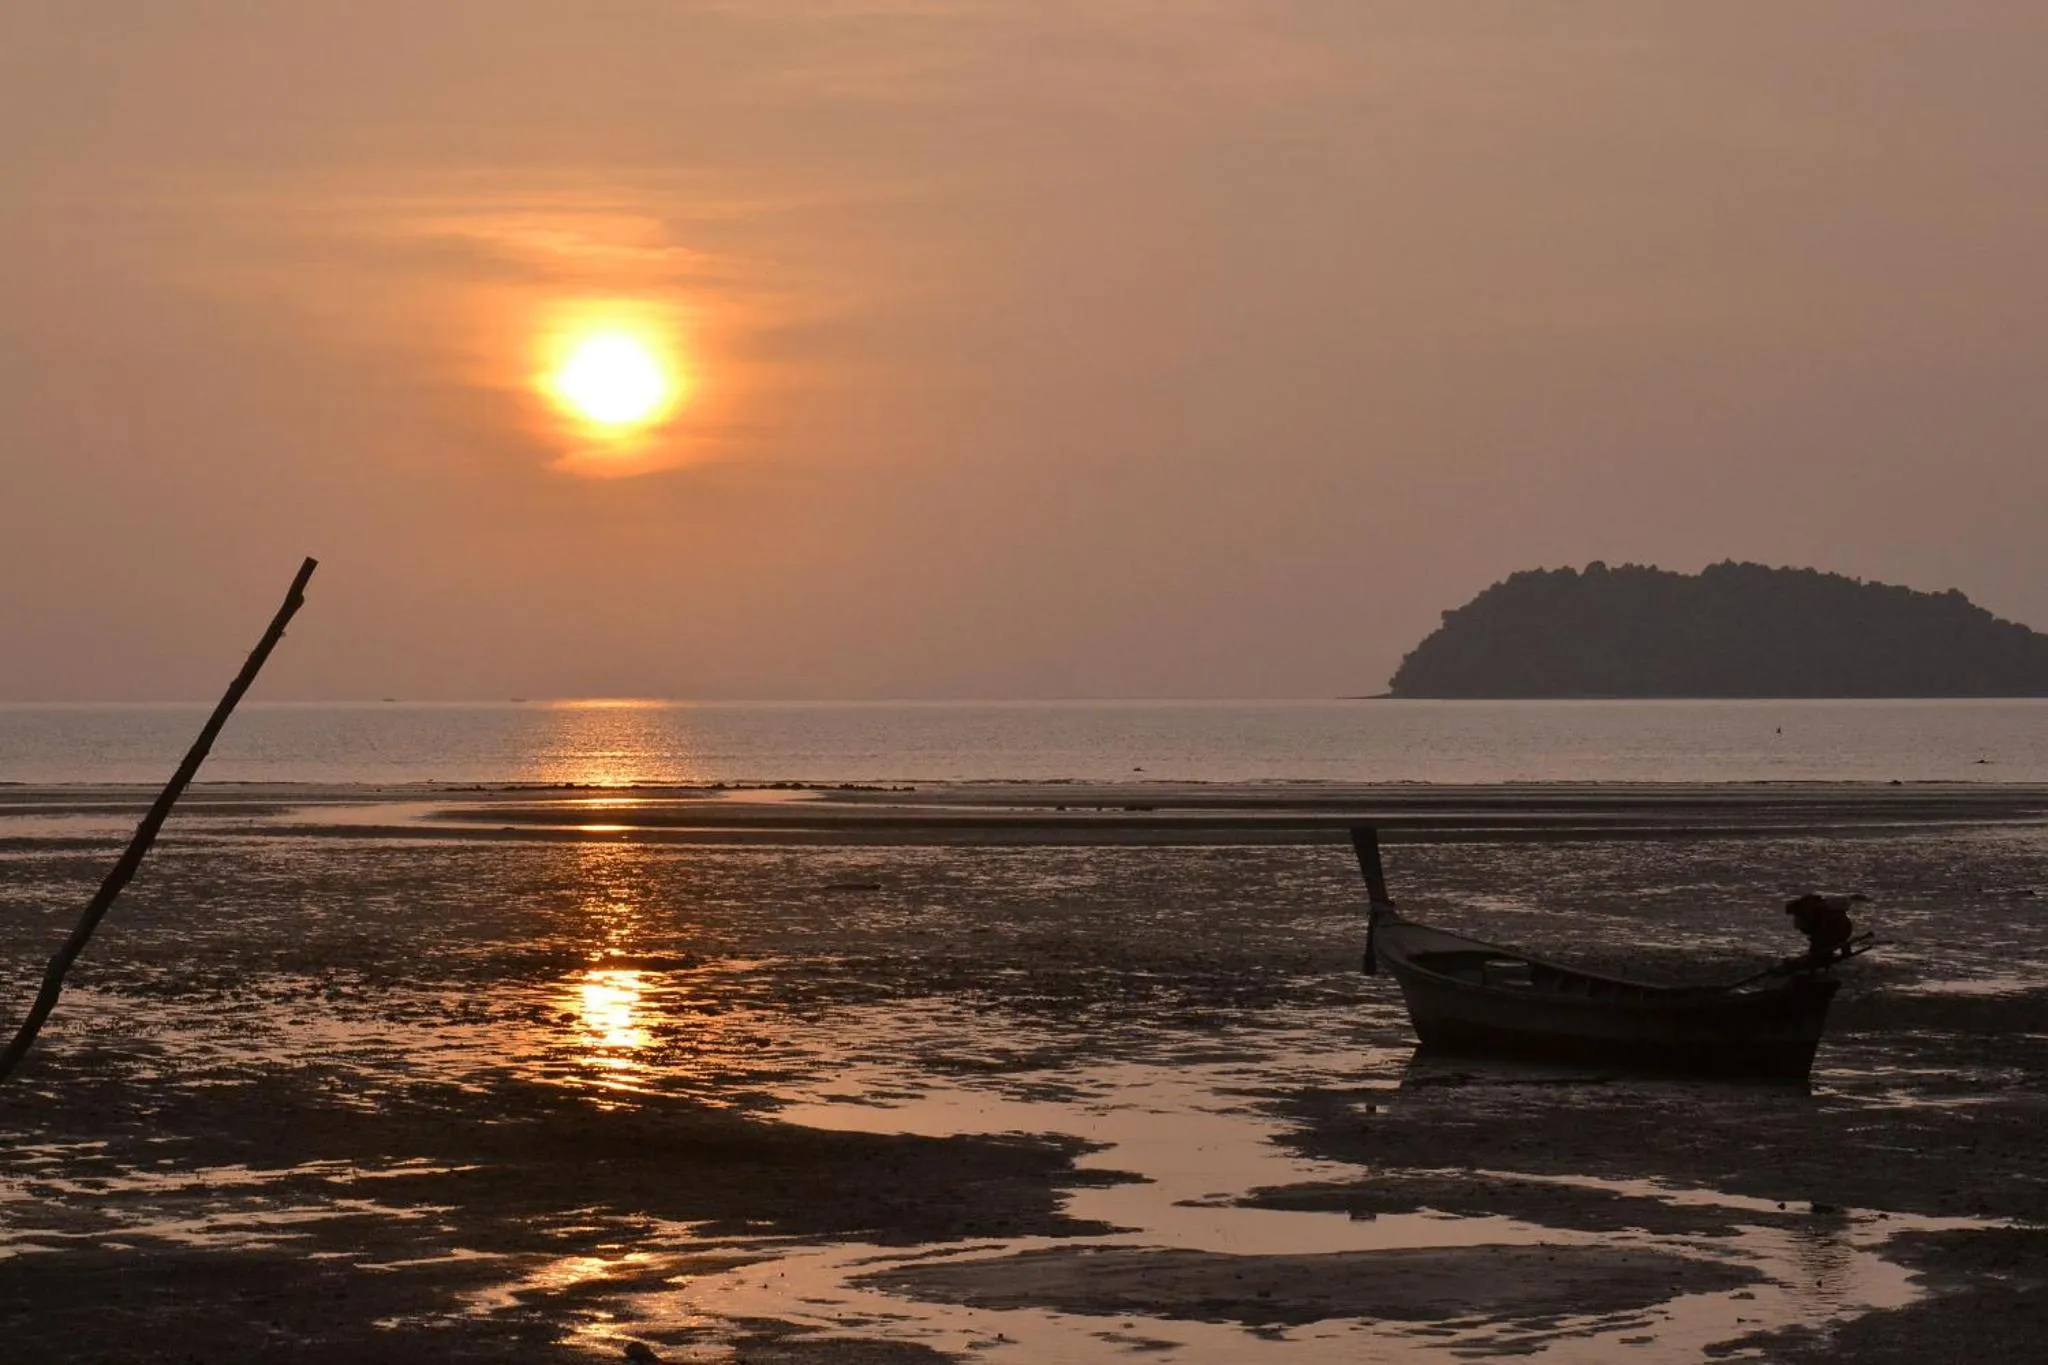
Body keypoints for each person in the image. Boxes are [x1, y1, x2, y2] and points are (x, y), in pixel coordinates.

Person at [1784, 892, 1856, 965]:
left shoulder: (1810, 909)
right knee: (1824, 945)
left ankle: (1818, 961)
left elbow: (1818, 926)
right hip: (1842, 930)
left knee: (1819, 946)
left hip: (1834, 931)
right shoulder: (1814, 907)